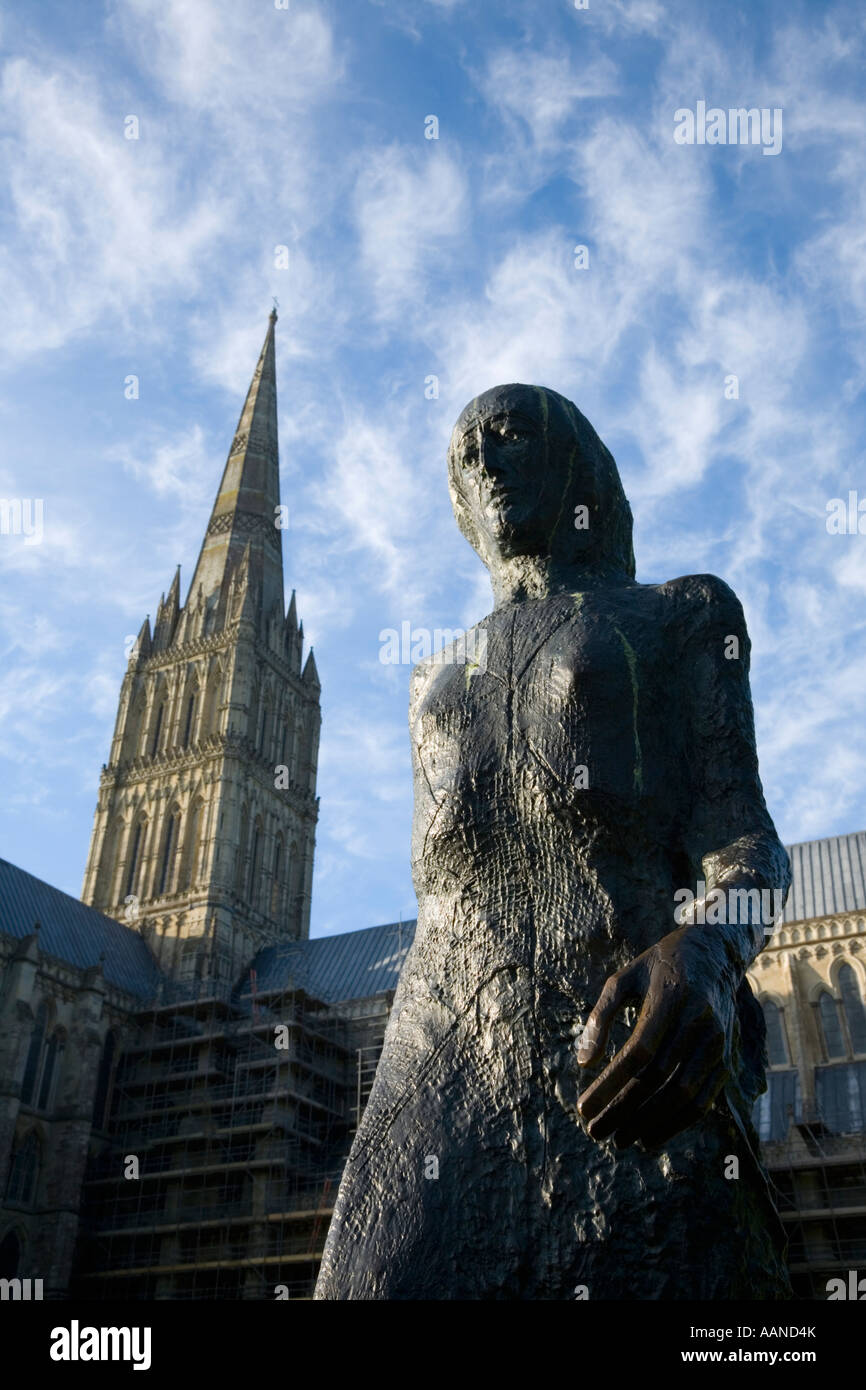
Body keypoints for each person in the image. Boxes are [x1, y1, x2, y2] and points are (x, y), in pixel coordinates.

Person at [315, 384, 792, 1300]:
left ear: (574, 460)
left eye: (510, 435)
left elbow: (749, 848)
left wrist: (709, 948)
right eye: (466, 453)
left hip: (622, 1043)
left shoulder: (682, 615)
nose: (487, 461)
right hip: (440, 1061)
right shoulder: (429, 679)